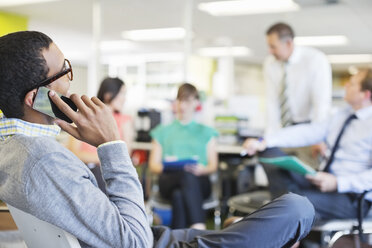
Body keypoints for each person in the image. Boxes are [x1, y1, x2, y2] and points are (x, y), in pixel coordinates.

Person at [0, 30, 314, 248]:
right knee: (297, 209)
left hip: (156, 236)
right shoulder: (42, 160)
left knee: (268, 221)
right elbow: (134, 242)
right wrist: (112, 145)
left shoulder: (13, 148)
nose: (71, 79)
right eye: (64, 71)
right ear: (36, 97)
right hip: (147, 241)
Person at [243, 68, 372, 221]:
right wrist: (263, 141)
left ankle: (289, 214)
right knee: (269, 151)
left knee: (290, 203)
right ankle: (293, 213)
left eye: (351, 84)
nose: (346, 86)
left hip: (351, 196)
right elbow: (309, 132)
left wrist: (338, 183)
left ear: (366, 94)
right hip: (321, 179)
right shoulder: (342, 115)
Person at [252, 22, 333, 165]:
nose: (269, 51)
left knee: (307, 178)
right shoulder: (270, 63)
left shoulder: (315, 60)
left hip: (308, 129)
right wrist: (268, 139)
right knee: (279, 175)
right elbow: (272, 102)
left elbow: (321, 103)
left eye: (273, 46)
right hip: (283, 132)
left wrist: (317, 137)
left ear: (288, 43)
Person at [149, 83, 218, 230]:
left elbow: (213, 165)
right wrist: (171, 166)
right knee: (185, 176)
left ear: (196, 103)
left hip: (199, 181)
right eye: (180, 100)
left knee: (179, 194)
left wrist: (202, 170)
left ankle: (176, 241)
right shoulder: (161, 132)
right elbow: (153, 165)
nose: (183, 105)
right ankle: (199, 230)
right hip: (169, 180)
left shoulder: (207, 132)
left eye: (187, 100)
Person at [67, 77, 134, 192]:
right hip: (83, 170)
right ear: (108, 95)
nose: (125, 99)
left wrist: (96, 159)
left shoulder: (124, 121)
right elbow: (73, 153)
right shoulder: (85, 116)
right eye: (122, 93)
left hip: (104, 173)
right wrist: (106, 157)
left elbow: (124, 155)